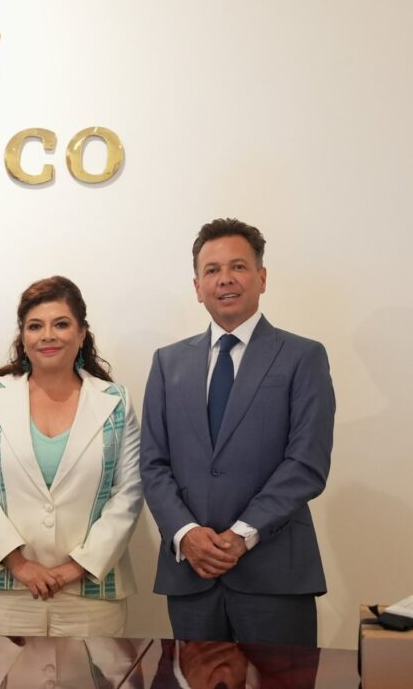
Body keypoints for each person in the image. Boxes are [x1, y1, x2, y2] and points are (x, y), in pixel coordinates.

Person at [139, 218, 335, 647]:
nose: (225, 279)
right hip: (191, 576)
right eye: (212, 270)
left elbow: (306, 463)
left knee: (283, 679)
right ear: (197, 287)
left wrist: (242, 534)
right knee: (192, 678)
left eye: (238, 267)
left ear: (262, 278)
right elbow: (152, 464)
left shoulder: (302, 356)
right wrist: (186, 534)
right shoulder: (167, 363)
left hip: (275, 575)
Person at [0, 276, 143, 637]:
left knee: (92, 670)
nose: (48, 335)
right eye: (35, 326)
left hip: (91, 592)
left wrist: (77, 567)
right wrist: (19, 565)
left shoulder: (116, 401)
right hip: (8, 590)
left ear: (82, 334)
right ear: (23, 337)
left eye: (61, 324)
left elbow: (129, 494)